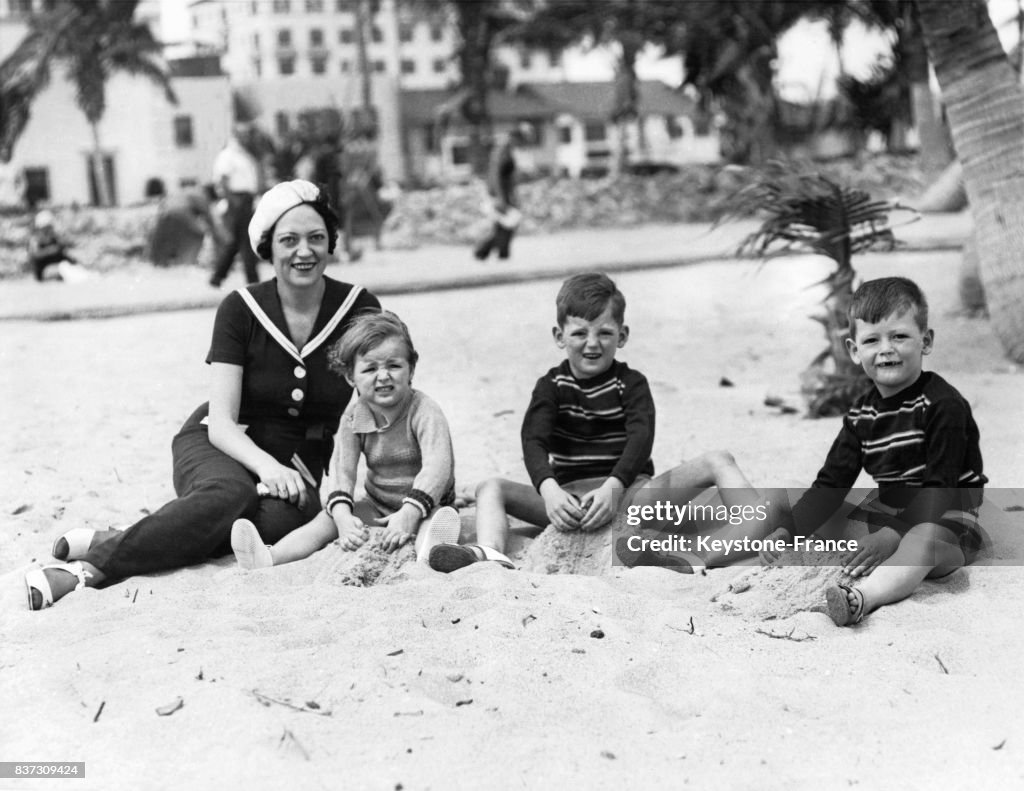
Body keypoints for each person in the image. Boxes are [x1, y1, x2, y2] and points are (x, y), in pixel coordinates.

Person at [24, 180, 381, 609]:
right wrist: (267, 468)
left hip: (300, 461)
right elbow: (223, 422)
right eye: (289, 240)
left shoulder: (359, 308)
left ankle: (122, 538)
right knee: (231, 497)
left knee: (270, 526)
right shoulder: (240, 308)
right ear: (267, 248)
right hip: (220, 441)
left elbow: (376, 404)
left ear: (330, 243)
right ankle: (87, 570)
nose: (303, 251)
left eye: (315, 238)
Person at [762, 277, 987, 626]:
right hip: (887, 514)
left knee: (921, 539)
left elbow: (941, 485)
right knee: (789, 505)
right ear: (854, 350)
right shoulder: (861, 415)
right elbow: (831, 483)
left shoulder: (943, 405)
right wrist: (790, 531)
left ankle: (861, 597)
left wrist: (893, 534)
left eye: (899, 336)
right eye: (872, 340)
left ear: (925, 341)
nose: (886, 349)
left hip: (947, 521)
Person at [428, 273, 655, 572]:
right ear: (559, 337)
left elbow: (641, 437)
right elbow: (533, 441)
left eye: (604, 333)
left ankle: (698, 544)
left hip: (623, 491)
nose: (592, 344)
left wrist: (614, 486)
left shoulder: (631, 384)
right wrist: (550, 491)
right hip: (567, 502)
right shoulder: (552, 386)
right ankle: (489, 552)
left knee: (654, 496)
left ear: (622, 336)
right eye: (579, 333)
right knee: (492, 487)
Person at [231, 310, 461, 569]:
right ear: (351, 376)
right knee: (324, 521)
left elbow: (437, 467)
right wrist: (342, 516)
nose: (383, 376)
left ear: (411, 369)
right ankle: (268, 557)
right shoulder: (354, 416)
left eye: (394, 365)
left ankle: (431, 553)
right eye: (370, 368)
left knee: (432, 523)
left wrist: (409, 513)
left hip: (426, 504)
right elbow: (341, 470)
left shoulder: (424, 411)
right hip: (379, 504)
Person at [209, 126, 262, 287]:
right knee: (246, 240)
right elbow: (222, 180)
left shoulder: (243, 155)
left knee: (236, 241)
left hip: (246, 199)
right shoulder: (228, 155)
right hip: (237, 200)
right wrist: (233, 200)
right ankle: (252, 279)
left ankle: (218, 276)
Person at [473, 132, 519, 262]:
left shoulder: (506, 155)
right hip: (498, 194)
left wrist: (512, 195)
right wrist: (501, 198)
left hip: (505, 194)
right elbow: (496, 178)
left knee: (504, 224)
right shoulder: (499, 155)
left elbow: (510, 179)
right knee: (507, 223)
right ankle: (485, 251)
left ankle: (497, 252)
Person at [27, 210, 86, 282]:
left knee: (71, 267)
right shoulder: (36, 240)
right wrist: (50, 250)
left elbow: (63, 252)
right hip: (44, 272)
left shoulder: (55, 239)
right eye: (48, 227)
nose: (50, 229)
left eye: (50, 227)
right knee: (62, 269)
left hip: (58, 267)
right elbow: (35, 254)